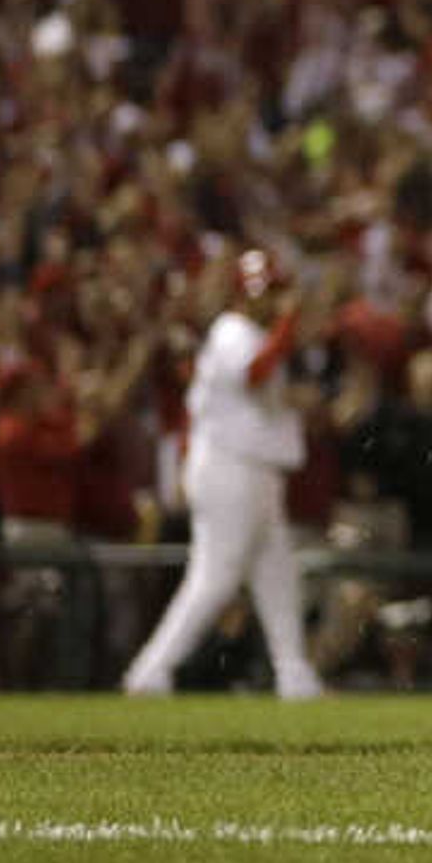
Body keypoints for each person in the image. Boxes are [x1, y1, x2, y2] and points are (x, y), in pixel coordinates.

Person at [122, 247, 321, 700]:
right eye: (261, 291)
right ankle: (151, 670)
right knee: (217, 576)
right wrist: (290, 323)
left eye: (272, 290)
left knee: (276, 572)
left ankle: (294, 675)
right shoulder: (232, 330)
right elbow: (254, 373)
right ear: (241, 294)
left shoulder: (252, 332)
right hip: (229, 467)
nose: (268, 299)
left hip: (253, 469)